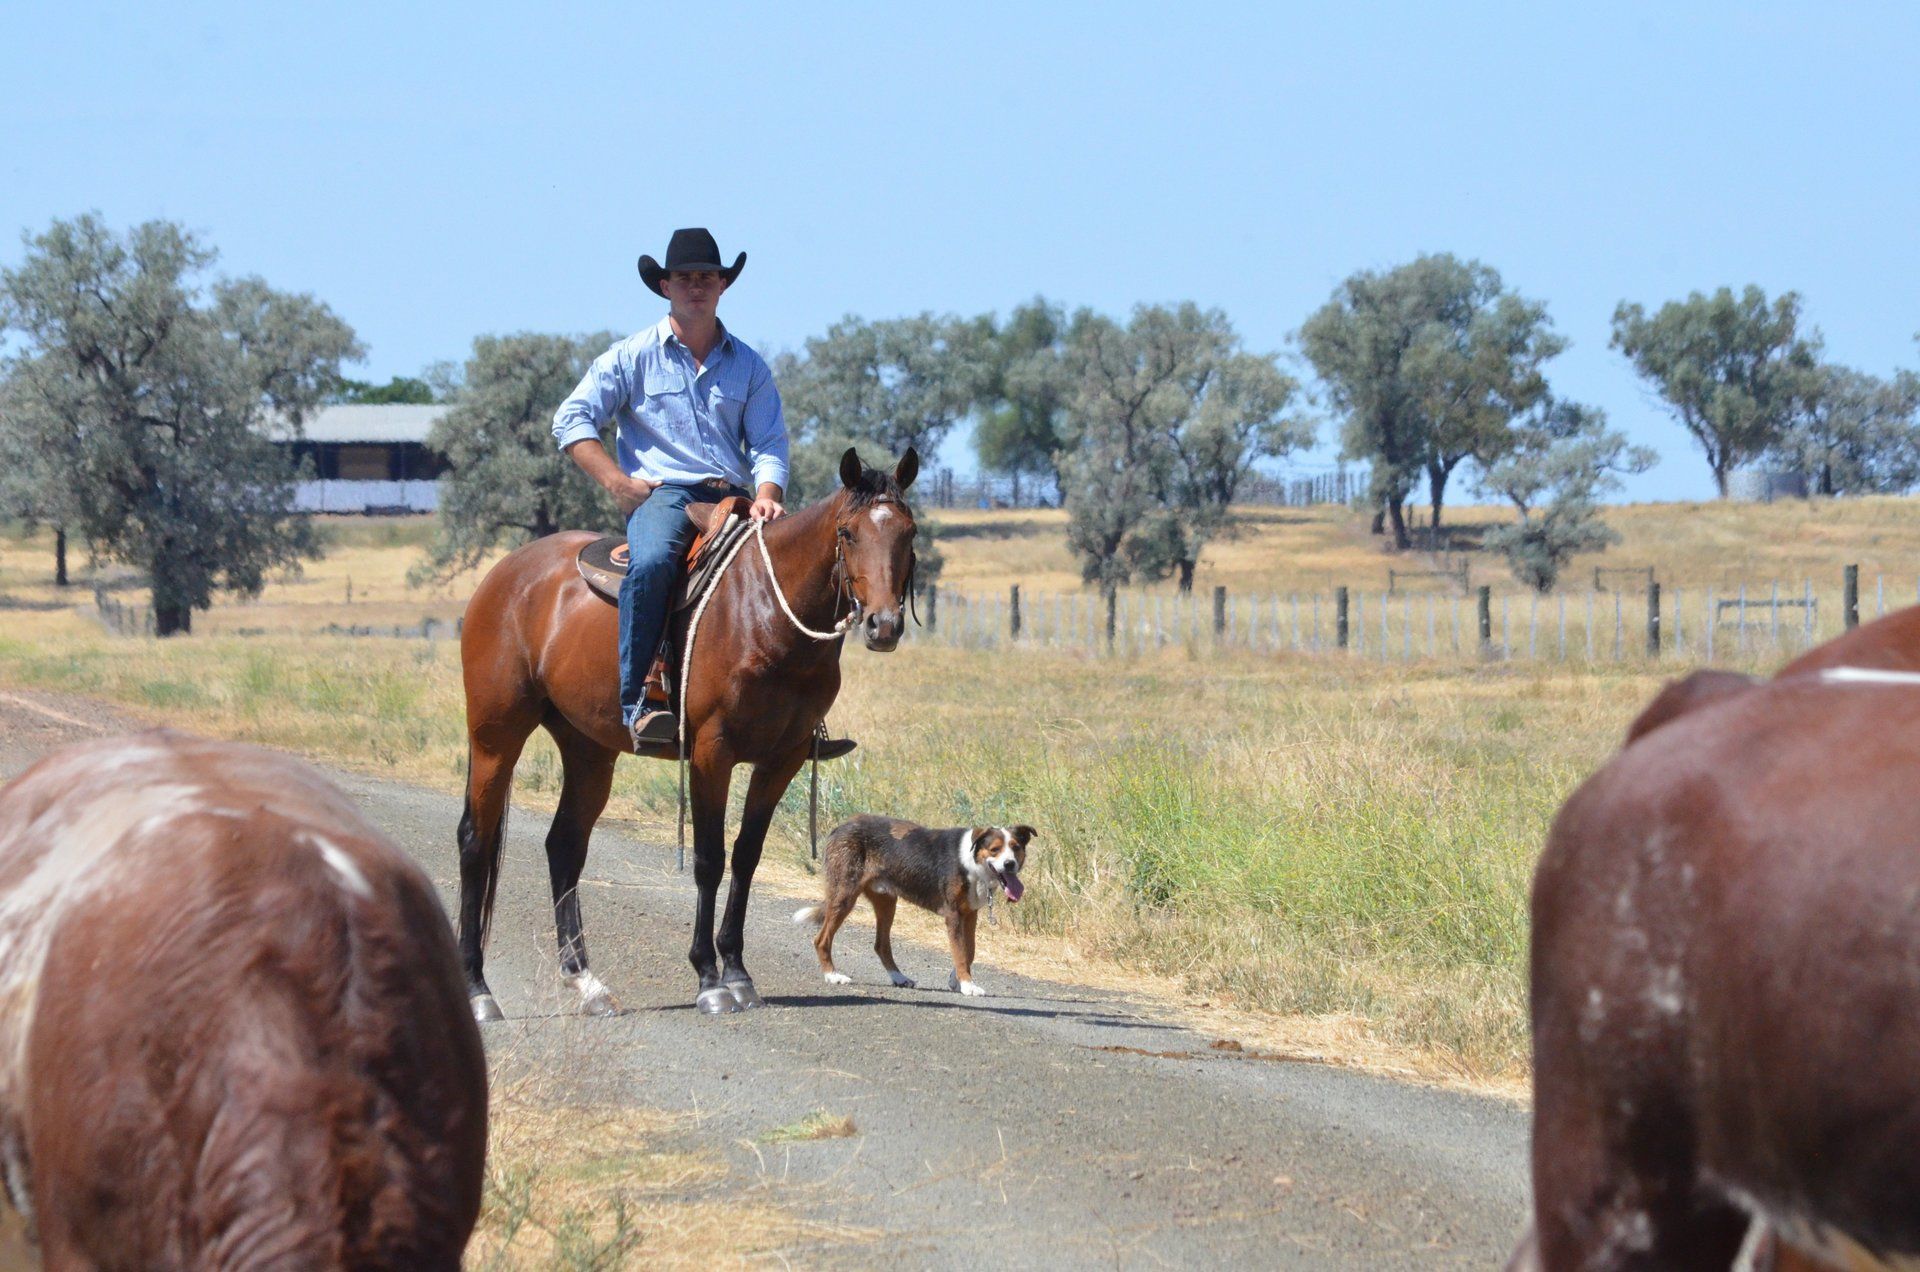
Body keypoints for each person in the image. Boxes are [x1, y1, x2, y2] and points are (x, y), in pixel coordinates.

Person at [552, 228, 787, 750]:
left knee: (794, 568)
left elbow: (769, 442)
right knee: (655, 561)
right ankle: (639, 699)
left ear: (723, 285)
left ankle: (796, 714)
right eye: (684, 277)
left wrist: (768, 494)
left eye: (707, 276)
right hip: (666, 494)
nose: (696, 286)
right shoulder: (632, 356)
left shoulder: (749, 365)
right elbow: (571, 419)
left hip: (736, 498)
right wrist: (617, 482)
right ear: (665, 286)